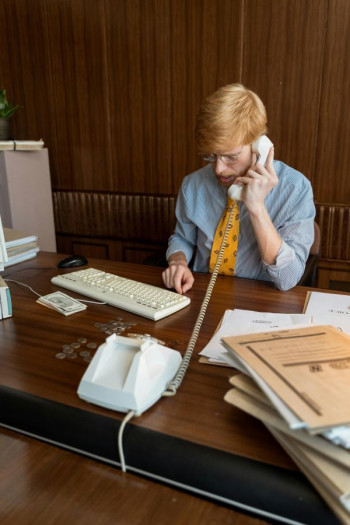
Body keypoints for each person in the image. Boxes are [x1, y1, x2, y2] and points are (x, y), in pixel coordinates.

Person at [162, 83, 315, 293]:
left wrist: (257, 207)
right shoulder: (193, 185)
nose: (218, 169)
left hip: (261, 306)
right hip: (201, 296)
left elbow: (288, 278)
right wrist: (177, 262)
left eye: (231, 157)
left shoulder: (296, 190)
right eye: (211, 156)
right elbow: (182, 238)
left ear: (259, 146)